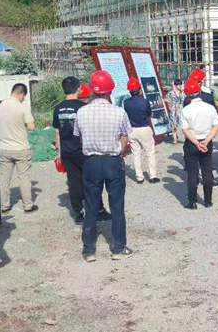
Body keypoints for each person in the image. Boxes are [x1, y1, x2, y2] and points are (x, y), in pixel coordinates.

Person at [74, 70, 134, 262]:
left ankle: (89, 250)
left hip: (91, 162)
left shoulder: (81, 112)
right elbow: (125, 135)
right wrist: (119, 150)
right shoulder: (119, 112)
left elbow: (80, 138)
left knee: (91, 206)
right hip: (112, 161)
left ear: (92, 90)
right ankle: (118, 248)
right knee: (117, 205)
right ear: (110, 90)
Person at [54, 76, 112, 224]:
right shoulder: (83, 108)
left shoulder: (58, 108)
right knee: (92, 180)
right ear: (78, 88)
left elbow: (57, 132)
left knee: (73, 181)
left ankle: (78, 211)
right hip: (84, 149)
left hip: (67, 151)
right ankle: (98, 209)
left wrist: (59, 153)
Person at [0, 83, 38, 214]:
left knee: (4, 179)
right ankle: (28, 205)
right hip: (20, 148)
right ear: (22, 94)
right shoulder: (22, 107)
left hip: (4, 148)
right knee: (24, 177)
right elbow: (31, 127)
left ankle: (4, 205)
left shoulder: (0, 105)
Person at [180, 79, 218, 209]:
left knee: (192, 173)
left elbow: (185, 129)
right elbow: (216, 125)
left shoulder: (185, 110)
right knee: (207, 172)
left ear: (188, 95)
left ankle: (192, 202)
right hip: (206, 142)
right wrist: (206, 141)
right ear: (199, 93)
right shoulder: (210, 108)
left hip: (192, 143)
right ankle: (208, 201)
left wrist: (196, 142)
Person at [123, 78, 159, 184]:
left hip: (131, 130)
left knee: (136, 154)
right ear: (139, 89)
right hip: (144, 128)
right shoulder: (144, 101)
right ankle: (153, 176)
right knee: (150, 153)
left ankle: (139, 178)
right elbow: (149, 114)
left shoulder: (126, 103)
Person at [164, 79, 185, 144]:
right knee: (173, 125)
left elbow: (183, 101)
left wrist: (181, 97)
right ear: (176, 85)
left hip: (180, 109)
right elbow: (166, 99)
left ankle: (186, 137)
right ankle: (175, 139)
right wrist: (168, 102)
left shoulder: (183, 93)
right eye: (179, 85)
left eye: (181, 85)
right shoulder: (171, 92)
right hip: (173, 110)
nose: (180, 86)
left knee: (183, 124)